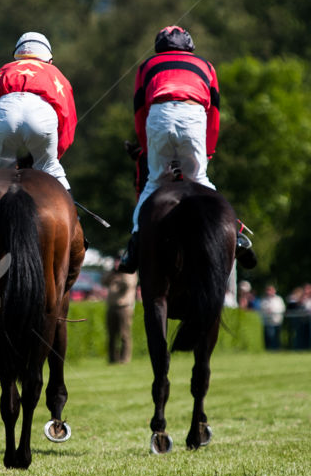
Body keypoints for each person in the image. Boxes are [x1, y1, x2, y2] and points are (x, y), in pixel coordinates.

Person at [119, 26, 254, 273]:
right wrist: (209, 151)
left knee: (153, 183)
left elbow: (140, 111)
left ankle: (135, 244)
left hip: (159, 115)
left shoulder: (146, 66)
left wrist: (148, 148)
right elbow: (214, 113)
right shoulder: (206, 66)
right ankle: (236, 234)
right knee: (200, 179)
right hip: (193, 115)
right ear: (189, 47)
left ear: (159, 47)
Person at [0, 31, 77, 192]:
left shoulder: (1, 71)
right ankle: (74, 215)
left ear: (16, 57)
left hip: (4, 114)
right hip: (41, 116)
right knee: (52, 169)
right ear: (49, 60)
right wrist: (55, 155)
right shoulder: (56, 75)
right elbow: (68, 120)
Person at [102, 255, 138, 363]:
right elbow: (103, 281)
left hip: (124, 307)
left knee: (124, 334)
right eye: (115, 261)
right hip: (112, 306)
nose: (116, 263)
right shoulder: (113, 273)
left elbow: (128, 285)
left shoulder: (129, 272)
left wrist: (121, 273)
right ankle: (112, 359)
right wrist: (112, 273)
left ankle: (124, 359)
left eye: (119, 261)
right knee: (111, 334)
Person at [259, 284, 285, 350]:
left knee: (276, 337)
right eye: (268, 290)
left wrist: (273, 311)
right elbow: (261, 309)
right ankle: (269, 349)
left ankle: (276, 349)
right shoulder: (264, 300)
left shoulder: (278, 299)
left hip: (277, 321)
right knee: (269, 337)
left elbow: (282, 309)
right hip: (268, 322)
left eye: (270, 290)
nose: (269, 292)